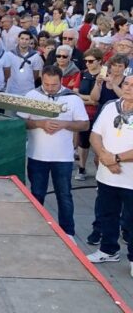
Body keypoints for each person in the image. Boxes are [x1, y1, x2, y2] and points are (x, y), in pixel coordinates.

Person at [20, 66, 89, 242]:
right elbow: (21, 122)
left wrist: (65, 124)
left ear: (61, 80)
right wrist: (39, 123)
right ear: (41, 79)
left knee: (64, 195)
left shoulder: (73, 99)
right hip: (37, 155)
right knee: (36, 194)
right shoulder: (31, 96)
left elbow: (84, 125)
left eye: (54, 84)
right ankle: (36, 229)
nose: (50, 88)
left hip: (63, 157)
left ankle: (68, 232)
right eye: (46, 84)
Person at [85, 75, 133, 269]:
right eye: (127, 84)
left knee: (131, 222)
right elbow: (95, 134)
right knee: (107, 215)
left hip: (130, 180)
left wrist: (117, 158)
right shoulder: (110, 106)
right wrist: (104, 156)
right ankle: (108, 250)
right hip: (107, 176)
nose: (129, 88)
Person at [75, 48, 103, 181]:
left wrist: (86, 99)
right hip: (84, 114)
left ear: (99, 61)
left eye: (91, 61)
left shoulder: (103, 76)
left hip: (99, 115)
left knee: (99, 145)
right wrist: (90, 100)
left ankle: (101, 173)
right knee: (83, 143)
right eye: (85, 61)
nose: (87, 63)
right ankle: (81, 168)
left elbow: (99, 101)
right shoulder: (81, 74)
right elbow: (75, 93)